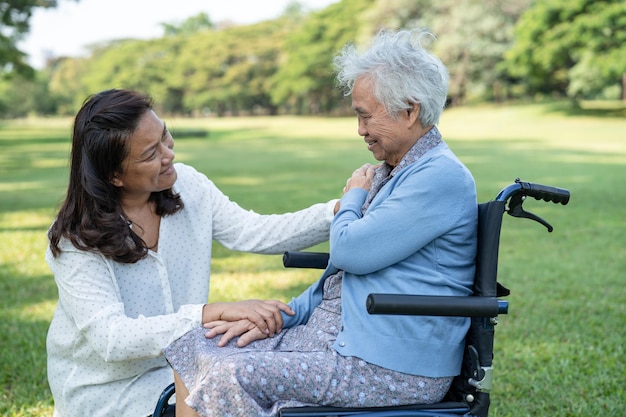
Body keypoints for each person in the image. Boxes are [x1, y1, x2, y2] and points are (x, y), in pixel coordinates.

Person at [164, 28, 478, 417]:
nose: (360, 130)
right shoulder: (393, 171)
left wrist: (352, 199)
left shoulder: (440, 176)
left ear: (410, 111)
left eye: (366, 116)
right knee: (195, 344)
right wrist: (281, 318)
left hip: (389, 365)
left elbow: (350, 250)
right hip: (335, 341)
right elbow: (339, 275)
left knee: (231, 372)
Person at [45, 88, 340, 417]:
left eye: (165, 136)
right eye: (149, 154)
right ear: (114, 175)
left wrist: (339, 212)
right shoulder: (75, 240)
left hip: (186, 367)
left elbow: (253, 231)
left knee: (275, 394)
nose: (168, 154)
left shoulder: (189, 185)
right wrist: (208, 313)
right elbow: (112, 338)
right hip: (109, 392)